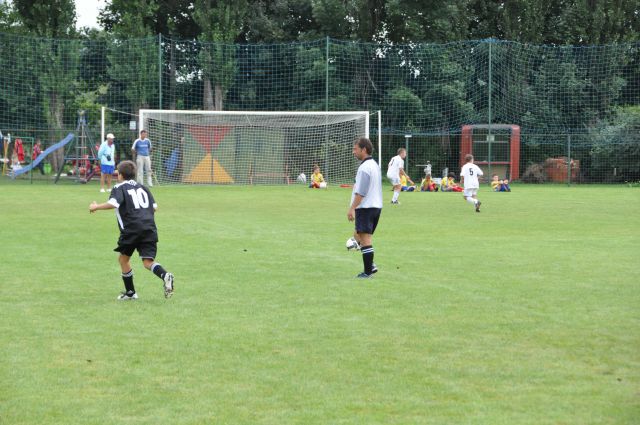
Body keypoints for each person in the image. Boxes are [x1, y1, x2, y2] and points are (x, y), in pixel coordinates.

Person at [89, 160, 174, 300]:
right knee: (148, 262)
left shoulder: (119, 187)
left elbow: (113, 203)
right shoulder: (143, 187)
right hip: (149, 228)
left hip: (131, 229)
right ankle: (165, 275)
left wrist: (96, 206)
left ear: (120, 175)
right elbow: (154, 208)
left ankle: (131, 293)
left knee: (123, 259)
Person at [347, 137, 383, 278]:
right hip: (376, 206)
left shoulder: (364, 168)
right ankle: (371, 265)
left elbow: (361, 192)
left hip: (366, 207)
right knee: (360, 235)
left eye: (355, 149)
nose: (353, 152)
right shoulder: (374, 165)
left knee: (365, 239)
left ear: (364, 149)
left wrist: (352, 208)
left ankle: (368, 272)